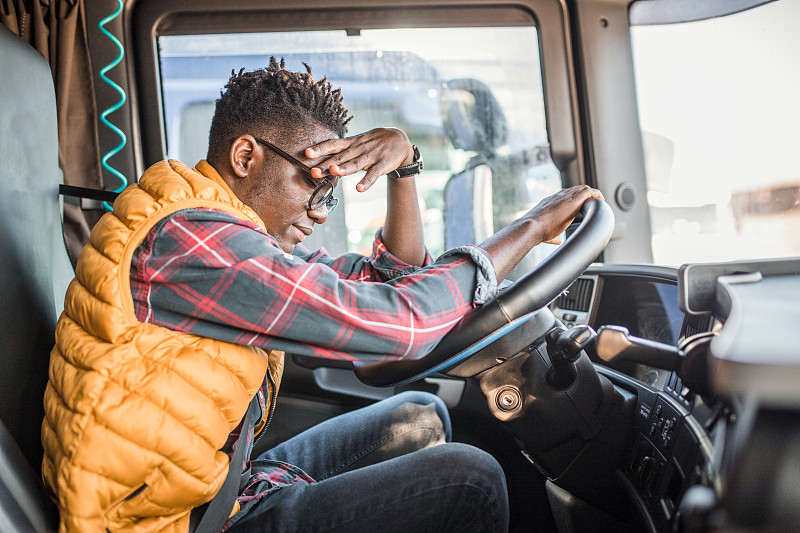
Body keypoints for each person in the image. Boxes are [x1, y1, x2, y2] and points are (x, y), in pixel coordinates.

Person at [41, 58, 602, 532]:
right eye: (314, 183)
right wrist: (527, 229)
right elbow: (399, 324)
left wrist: (404, 167)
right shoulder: (194, 243)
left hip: (214, 487)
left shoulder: (223, 231)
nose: (317, 212)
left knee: (420, 414)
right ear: (245, 157)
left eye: (331, 195)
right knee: (472, 479)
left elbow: (389, 281)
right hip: (172, 522)